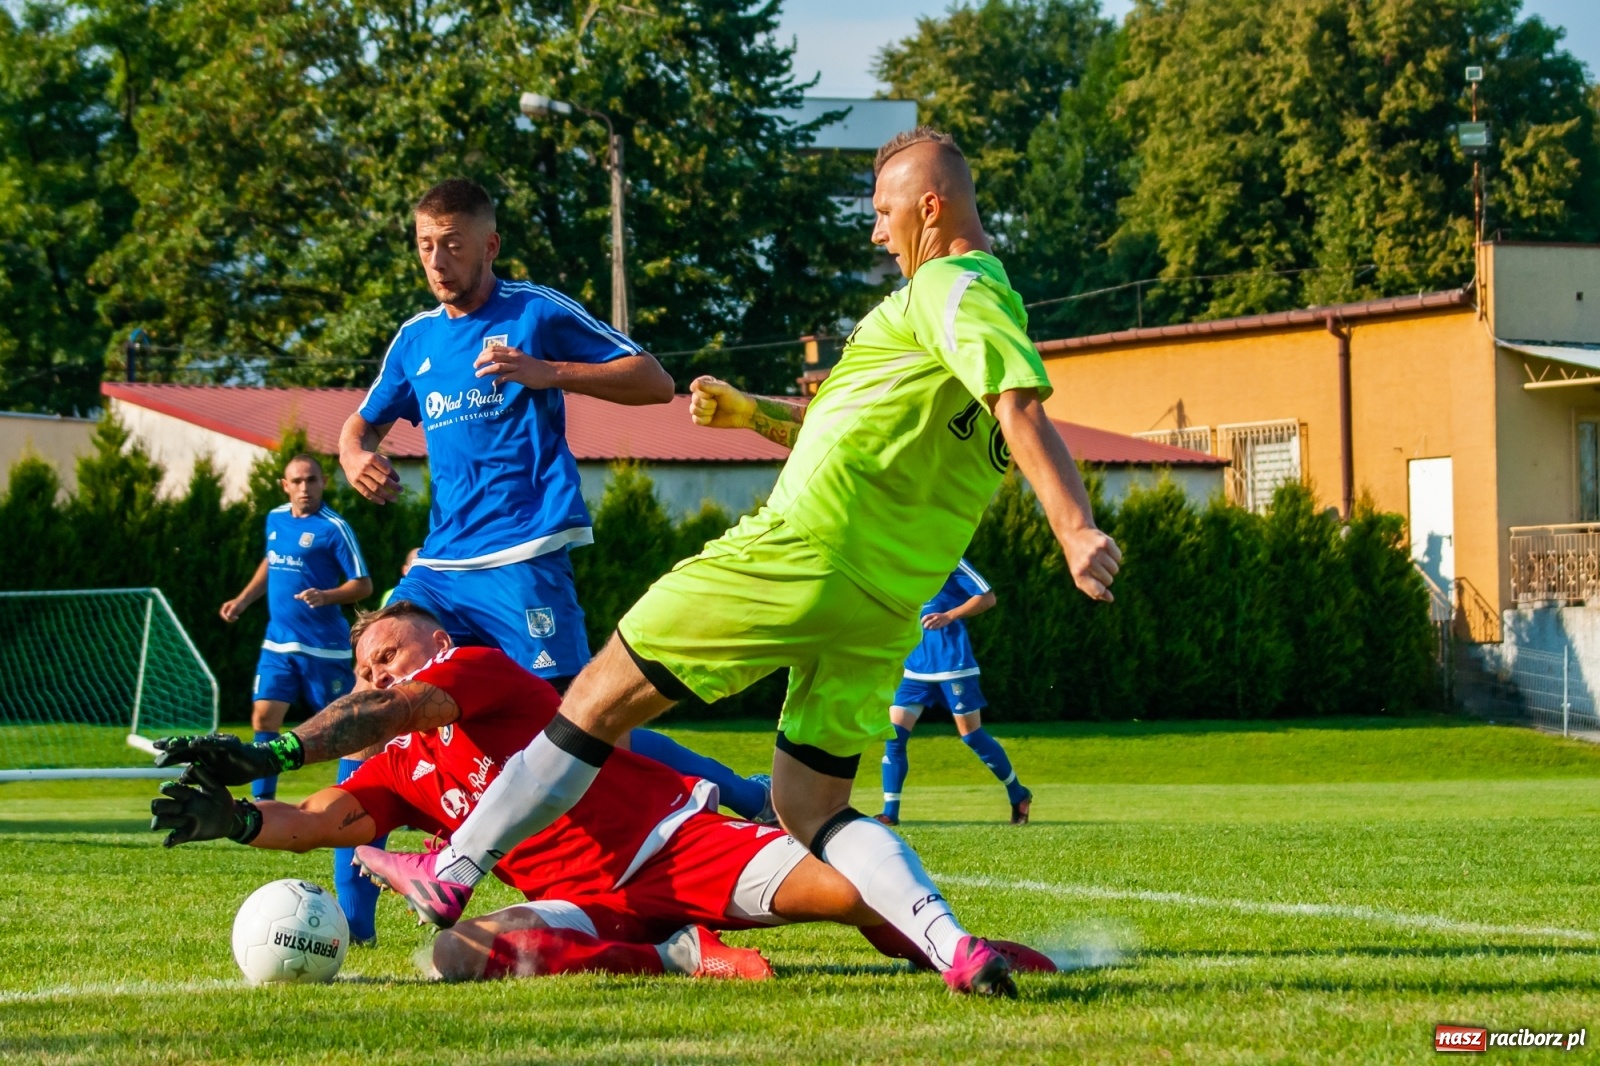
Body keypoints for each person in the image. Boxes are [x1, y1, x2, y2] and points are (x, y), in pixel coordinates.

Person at [352, 128, 1123, 998]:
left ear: (930, 208)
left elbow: (1019, 406)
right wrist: (752, 414)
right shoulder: (973, 314)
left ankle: (455, 868)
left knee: (595, 697)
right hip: (883, 604)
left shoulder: (952, 287)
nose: (876, 235)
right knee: (810, 807)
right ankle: (954, 948)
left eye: (882, 214)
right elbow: (854, 427)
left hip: (800, 554)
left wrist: (1073, 527)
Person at [150, 602, 1056, 982]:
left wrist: (272, 742)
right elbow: (313, 824)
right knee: (456, 959)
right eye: (358, 666)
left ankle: (952, 950)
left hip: (672, 843)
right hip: (592, 902)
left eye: (381, 657)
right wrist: (231, 819)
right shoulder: (398, 765)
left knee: (854, 891)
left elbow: (380, 716)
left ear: (427, 651)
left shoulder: (475, 671)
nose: (369, 674)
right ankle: (674, 954)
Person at [337, 178, 773, 823]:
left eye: (452, 245)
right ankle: (353, 909)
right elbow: (361, 423)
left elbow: (654, 381)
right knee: (372, 695)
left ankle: (745, 796)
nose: (436, 261)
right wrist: (353, 455)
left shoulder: (534, 312)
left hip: (525, 555)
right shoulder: (416, 340)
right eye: (425, 245)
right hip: (440, 568)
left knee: (584, 731)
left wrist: (550, 372)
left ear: (490, 245)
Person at [217, 454, 383, 945]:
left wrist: (327, 597)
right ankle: (264, 800)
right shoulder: (273, 520)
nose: (305, 488)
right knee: (263, 714)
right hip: (279, 642)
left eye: (312, 480)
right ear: (283, 485)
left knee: (341, 733)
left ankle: (343, 800)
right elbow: (271, 562)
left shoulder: (336, 528)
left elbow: (365, 585)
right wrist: (244, 600)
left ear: (323, 482)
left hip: (326, 651)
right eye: (297, 481)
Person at [877, 558, 1031, 828]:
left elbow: (988, 597)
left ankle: (1018, 794)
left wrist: (950, 615)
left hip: (953, 666)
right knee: (894, 736)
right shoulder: (900, 559)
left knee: (972, 736)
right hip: (914, 670)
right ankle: (890, 813)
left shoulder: (949, 557)